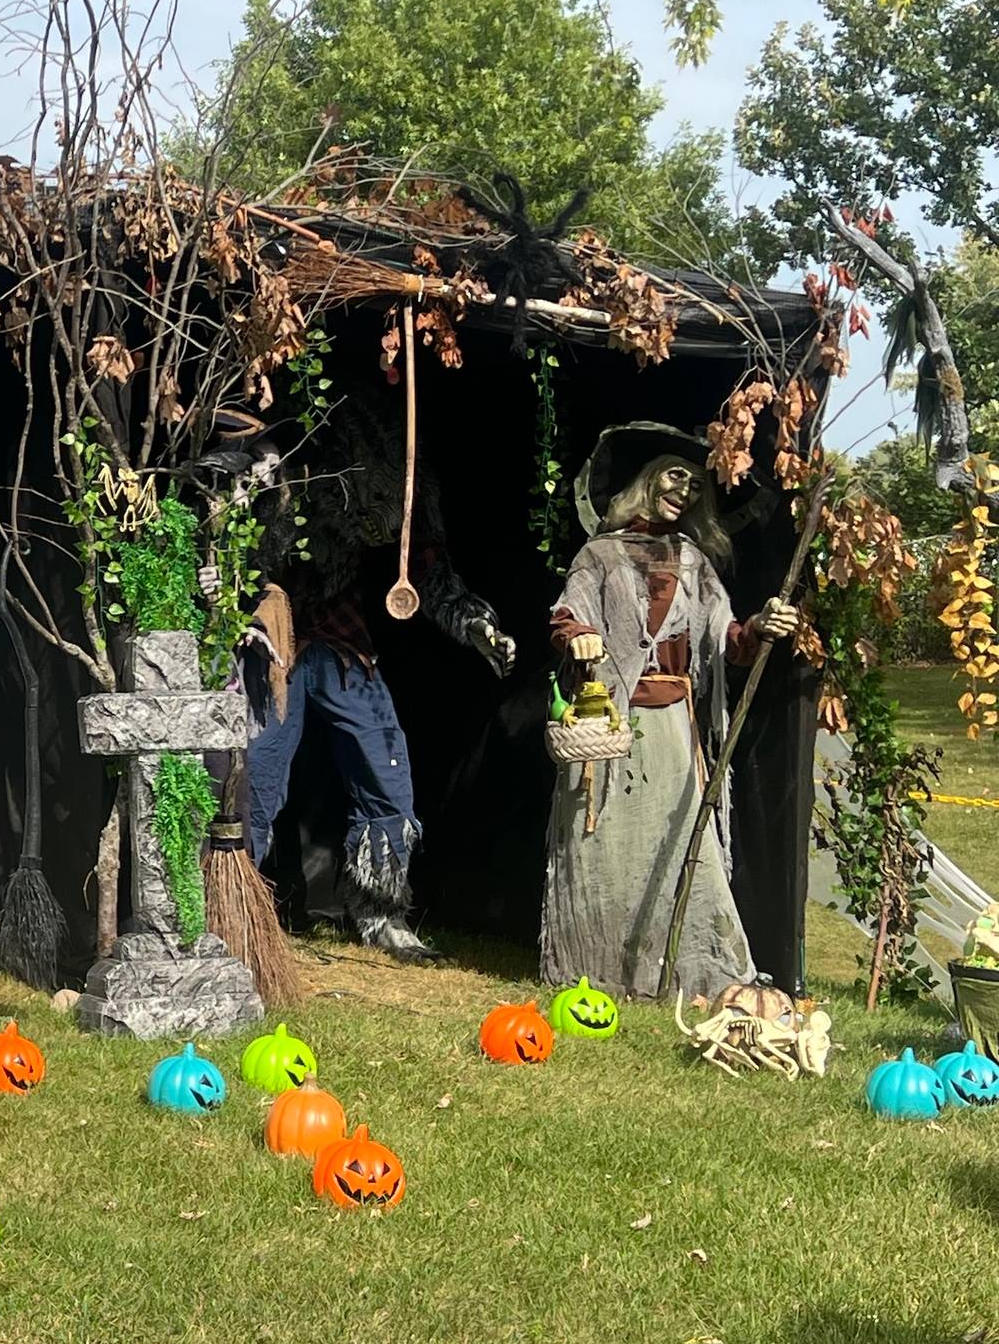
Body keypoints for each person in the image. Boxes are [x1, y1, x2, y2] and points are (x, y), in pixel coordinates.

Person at [242, 389, 516, 958]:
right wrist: (263, 490)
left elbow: (429, 569)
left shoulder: (401, 479)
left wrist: (474, 624)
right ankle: (234, 910)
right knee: (256, 778)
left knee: (386, 774)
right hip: (269, 640)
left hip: (342, 643)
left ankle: (383, 914)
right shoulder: (262, 468)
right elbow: (238, 556)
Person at [542, 425, 797, 997]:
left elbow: (724, 639)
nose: (684, 490)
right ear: (647, 479)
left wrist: (758, 627)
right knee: (602, 846)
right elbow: (567, 613)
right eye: (675, 476)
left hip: (674, 731)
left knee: (682, 844)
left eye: (697, 485)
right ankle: (595, 967)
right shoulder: (600, 556)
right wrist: (580, 635)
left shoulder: (694, 563)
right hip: (607, 723)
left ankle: (687, 969)